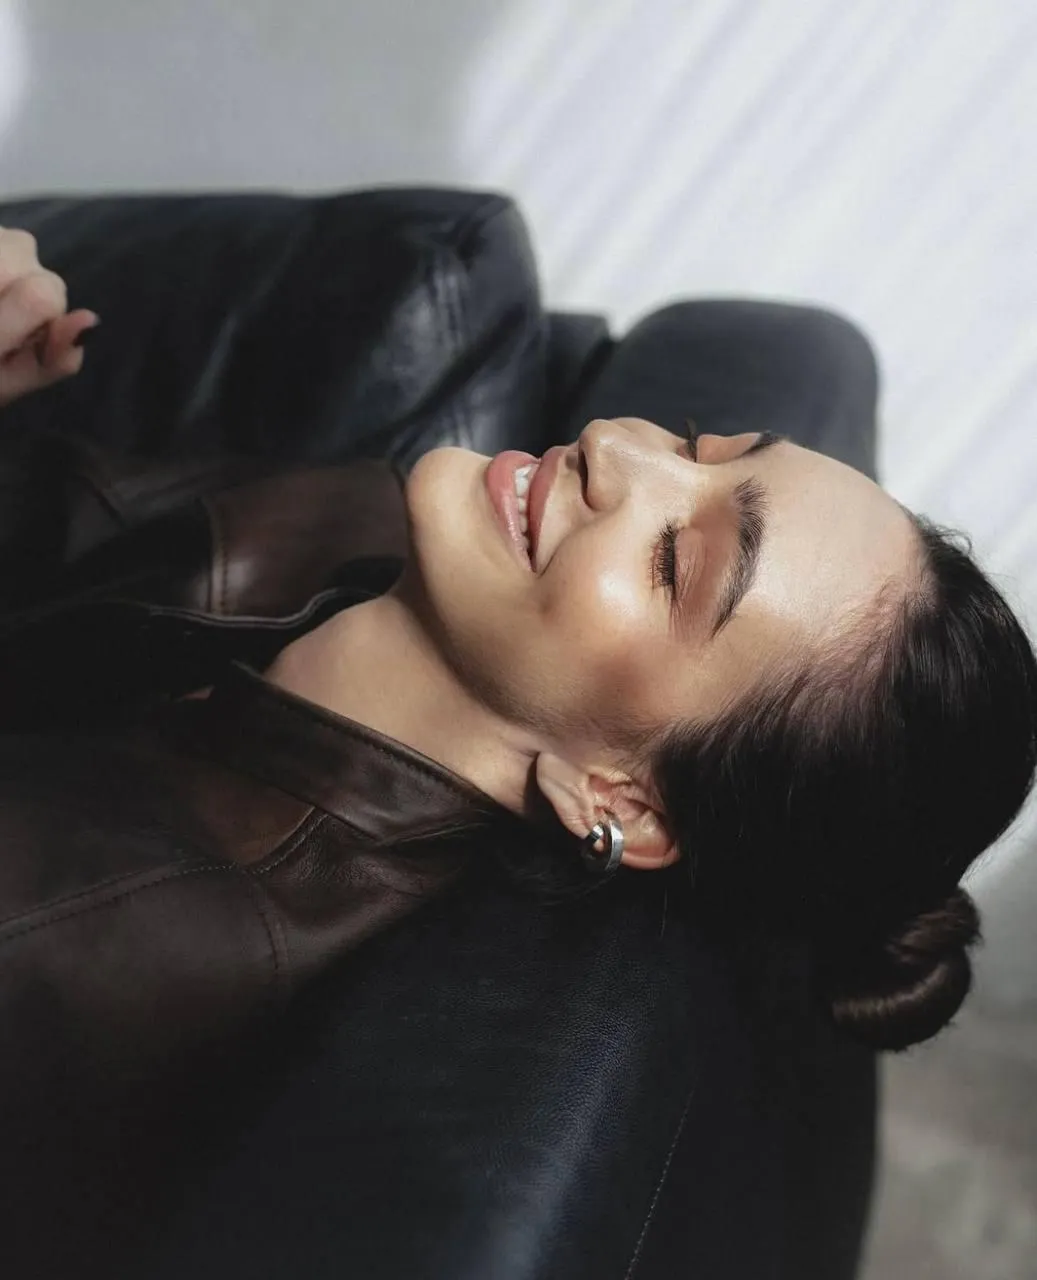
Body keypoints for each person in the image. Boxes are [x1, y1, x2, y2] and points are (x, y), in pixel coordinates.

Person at [1, 224, 1036, 1262]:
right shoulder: (369, 533)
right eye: (693, 445)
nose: (616, 447)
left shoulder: (103, 932)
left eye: (676, 562)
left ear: (622, 803)